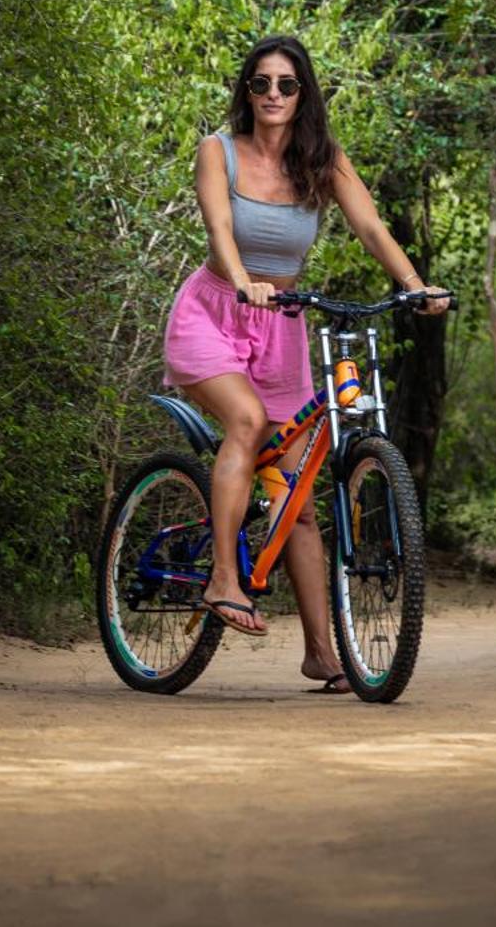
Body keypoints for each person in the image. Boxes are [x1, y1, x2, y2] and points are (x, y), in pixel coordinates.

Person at [161, 34, 444, 693]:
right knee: (249, 422)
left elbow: (372, 227)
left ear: (304, 93)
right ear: (247, 92)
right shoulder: (218, 151)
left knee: (298, 498)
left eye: (286, 85)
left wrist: (415, 284)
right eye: (261, 84)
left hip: (281, 327)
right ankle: (223, 580)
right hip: (215, 313)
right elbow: (220, 231)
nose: (273, 96)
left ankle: (322, 652)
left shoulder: (323, 160)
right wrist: (242, 281)